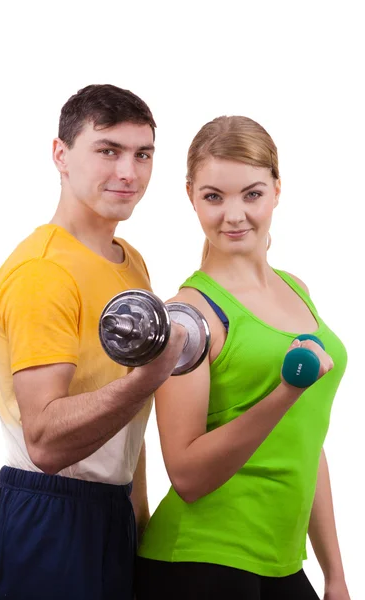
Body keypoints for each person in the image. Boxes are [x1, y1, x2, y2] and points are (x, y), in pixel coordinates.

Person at [0, 84, 187, 600]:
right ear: (61, 155)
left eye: (143, 154)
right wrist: (146, 381)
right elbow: (45, 442)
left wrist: (137, 515)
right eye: (108, 150)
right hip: (44, 515)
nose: (128, 172)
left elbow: (126, 428)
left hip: (109, 516)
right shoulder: (43, 273)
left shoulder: (129, 261)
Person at [136, 116, 351, 600]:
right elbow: (188, 476)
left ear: (277, 189)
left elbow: (306, 441)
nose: (233, 215)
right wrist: (286, 392)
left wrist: (334, 573)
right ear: (190, 195)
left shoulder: (298, 290)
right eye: (214, 197)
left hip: (281, 564)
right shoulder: (188, 317)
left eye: (251, 194)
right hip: (200, 563)